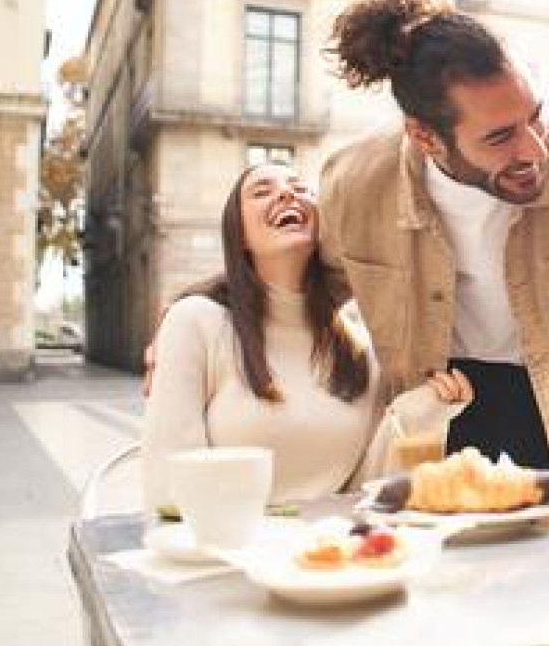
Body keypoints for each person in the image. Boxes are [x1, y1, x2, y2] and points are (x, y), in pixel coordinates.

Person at [318, 0, 549, 472]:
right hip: (436, 414)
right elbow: (304, 289)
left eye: (536, 117)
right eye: (500, 138)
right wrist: (201, 313)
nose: (535, 150)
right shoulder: (355, 183)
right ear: (425, 136)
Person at [142, 164, 473, 509]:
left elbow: (369, 488)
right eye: (261, 191)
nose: (286, 194)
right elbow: (169, 477)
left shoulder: (358, 345)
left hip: (329, 553)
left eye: (300, 188)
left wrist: (424, 413)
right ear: (238, 233)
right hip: (230, 548)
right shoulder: (196, 321)